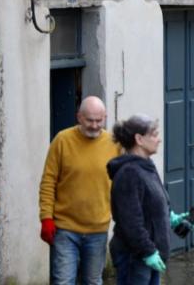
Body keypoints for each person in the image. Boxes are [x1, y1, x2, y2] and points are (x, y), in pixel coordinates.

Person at [39, 96, 120, 285]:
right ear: (79, 117)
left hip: (98, 228)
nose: (94, 125)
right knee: (63, 281)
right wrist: (46, 218)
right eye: (89, 120)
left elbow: (123, 184)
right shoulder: (62, 140)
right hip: (65, 228)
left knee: (93, 281)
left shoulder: (115, 144)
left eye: (99, 120)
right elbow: (48, 182)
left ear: (105, 117)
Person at [107, 114, 183, 285]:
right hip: (134, 257)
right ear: (139, 139)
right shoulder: (129, 173)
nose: (159, 139)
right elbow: (130, 222)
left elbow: (153, 202)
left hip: (148, 255)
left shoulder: (146, 166)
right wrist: (147, 251)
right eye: (154, 134)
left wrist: (171, 217)